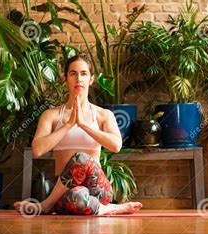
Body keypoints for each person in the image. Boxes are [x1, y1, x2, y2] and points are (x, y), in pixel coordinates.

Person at [14, 55, 142, 215]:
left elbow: (116, 145)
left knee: (81, 158)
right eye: (73, 73)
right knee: (77, 197)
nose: (78, 78)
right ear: (66, 79)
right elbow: (37, 150)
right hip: (64, 191)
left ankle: (46, 205)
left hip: (98, 189)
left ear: (91, 79)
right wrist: (68, 125)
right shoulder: (51, 115)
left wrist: (84, 125)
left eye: (83, 73)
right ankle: (112, 209)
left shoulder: (103, 115)